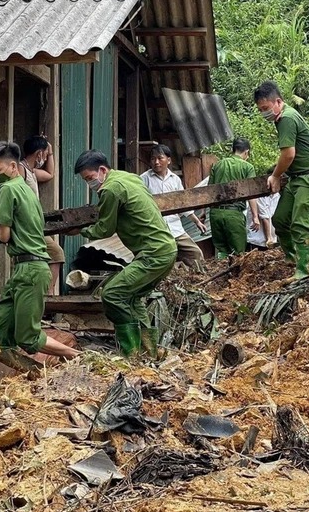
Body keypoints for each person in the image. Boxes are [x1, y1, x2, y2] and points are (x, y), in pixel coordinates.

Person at [72, 150, 176, 358]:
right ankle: (148, 354)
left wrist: (79, 230)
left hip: (153, 253)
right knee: (134, 297)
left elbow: (104, 230)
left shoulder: (111, 189)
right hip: (166, 248)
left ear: (102, 170)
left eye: (90, 179)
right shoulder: (128, 178)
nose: (90, 184)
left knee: (112, 295)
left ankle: (131, 353)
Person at [0, 142, 79, 360]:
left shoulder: (7, 190)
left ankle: (77, 356)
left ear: (13, 166)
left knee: (28, 337)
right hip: (25, 268)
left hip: (29, 269)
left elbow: (4, 236)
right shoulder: (26, 190)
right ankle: (26, 375)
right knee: (2, 335)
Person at [255, 81, 309, 280]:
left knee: (300, 225)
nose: (264, 113)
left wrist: (276, 175)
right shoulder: (283, 118)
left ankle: (303, 271)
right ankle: (291, 258)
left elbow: (288, 154)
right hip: (299, 179)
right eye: (260, 110)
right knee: (280, 219)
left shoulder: (287, 118)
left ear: (278, 102)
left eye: (266, 108)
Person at [140, 144, 207, 269]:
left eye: (160, 158)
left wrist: (197, 222)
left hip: (176, 230)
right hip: (156, 231)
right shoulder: (144, 179)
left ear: (169, 160)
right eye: (153, 159)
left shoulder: (174, 179)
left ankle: (200, 282)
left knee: (196, 255)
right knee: (161, 261)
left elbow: (182, 205)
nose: (156, 162)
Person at [17, 136, 64, 295]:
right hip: (27, 224)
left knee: (55, 254)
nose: (44, 158)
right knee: (55, 253)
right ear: (38, 154)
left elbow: (50, 174)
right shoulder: (20, 169)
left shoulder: (31, 171)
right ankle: (47, 294)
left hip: (35, 223)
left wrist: (50, 153)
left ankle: (47, 293)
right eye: (43, 154)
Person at [209, 138, 259, 258]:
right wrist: (255, 217)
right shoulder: (247, 167)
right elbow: (251, 193)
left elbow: (208, 192)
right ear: (246, 152)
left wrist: (203, 212)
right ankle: (236, 275)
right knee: (239, 252)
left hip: (215, 214)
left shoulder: (217, 165)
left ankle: (222, 273)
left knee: (221, 250)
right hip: (233, 214)